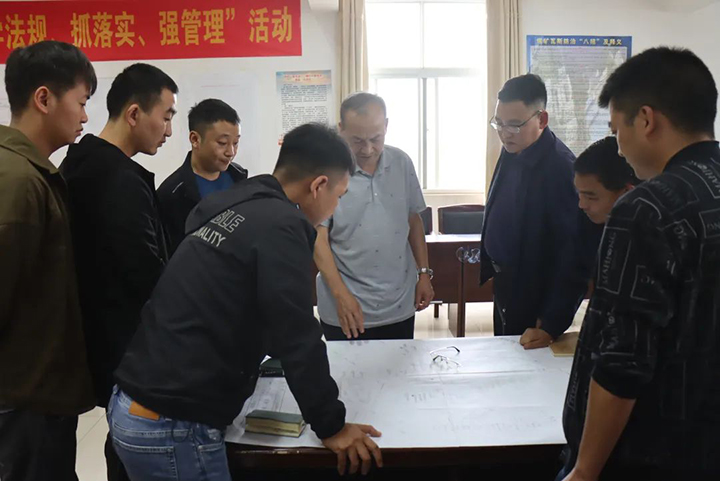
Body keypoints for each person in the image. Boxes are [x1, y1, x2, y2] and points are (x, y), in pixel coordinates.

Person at [109, 123, 383, 480]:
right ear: (318, 186)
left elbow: (244, 301)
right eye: (339, 196)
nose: (335, 208)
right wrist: (333, 426)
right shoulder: (283, 226)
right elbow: (297, 334)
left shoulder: (237, 202)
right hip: (173, 422)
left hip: (136, 401)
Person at [560, 47, 720, 481]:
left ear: (646, 120)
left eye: (617, 130)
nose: (619, 147)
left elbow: (624, 359)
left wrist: (585, 469)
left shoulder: (647, 208)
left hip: (650, 454)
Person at [60, 63, 178, 481]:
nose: (168, 131)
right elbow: (145, 275)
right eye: (165, 116)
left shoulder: (81, 163)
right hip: (123, 350)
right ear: (133, 114)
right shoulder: (117, 180)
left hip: (96, 346)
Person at [0, 40, 96, 481]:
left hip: (37, 398)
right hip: (21, 403)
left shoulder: (30, 172)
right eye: (81, 102)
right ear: (44, 98)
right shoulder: (17, 179)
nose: (84, 117)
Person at [480, 74, 589, 349]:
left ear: (542, 120)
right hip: (507, 282)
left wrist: (552, 321)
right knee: (504, 355)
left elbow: (574, 254)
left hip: (534, 292)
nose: (505, 133)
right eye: (499, 123)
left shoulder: (561, 169)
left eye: (514, 125)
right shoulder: (513, 147)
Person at [314, 92, 433, 341]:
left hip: (399, 303)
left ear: (386, 126)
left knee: (399, 364)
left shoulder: (401, 163)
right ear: (341, 129)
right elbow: (318, 238)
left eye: (376, 139)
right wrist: (341, 296)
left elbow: (413, 220)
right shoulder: (326, 171)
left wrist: (424, 273)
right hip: (346, 308)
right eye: (357, 141)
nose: (367, 149)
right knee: (347, 367)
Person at [157, 98, 247, 256]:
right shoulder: (172, 193)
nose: (231, 152)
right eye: (222, 143)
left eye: (235, 143)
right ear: (195, 139)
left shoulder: (239, 177)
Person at [575, 136, 639, 226]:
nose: (581, 205)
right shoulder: (584, 220)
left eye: (590, 197)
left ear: (627, 193)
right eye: (579, 193)